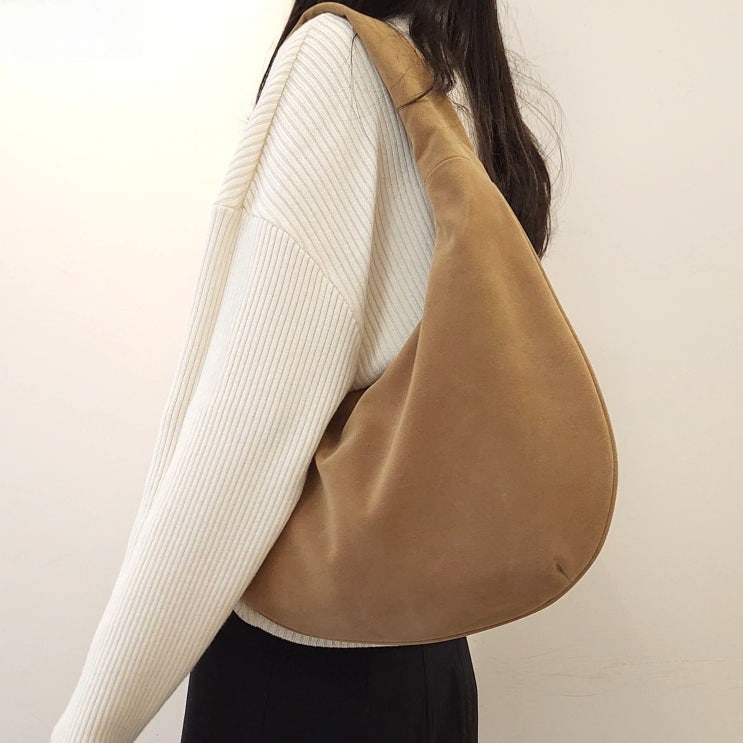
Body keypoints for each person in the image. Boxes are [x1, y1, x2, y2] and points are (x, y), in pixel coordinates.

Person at [52, 2, 557, 741]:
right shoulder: (450, 80)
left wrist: (91, 724)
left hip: (301, 669)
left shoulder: (335, 60)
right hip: (425, 655)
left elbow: (242, 443)